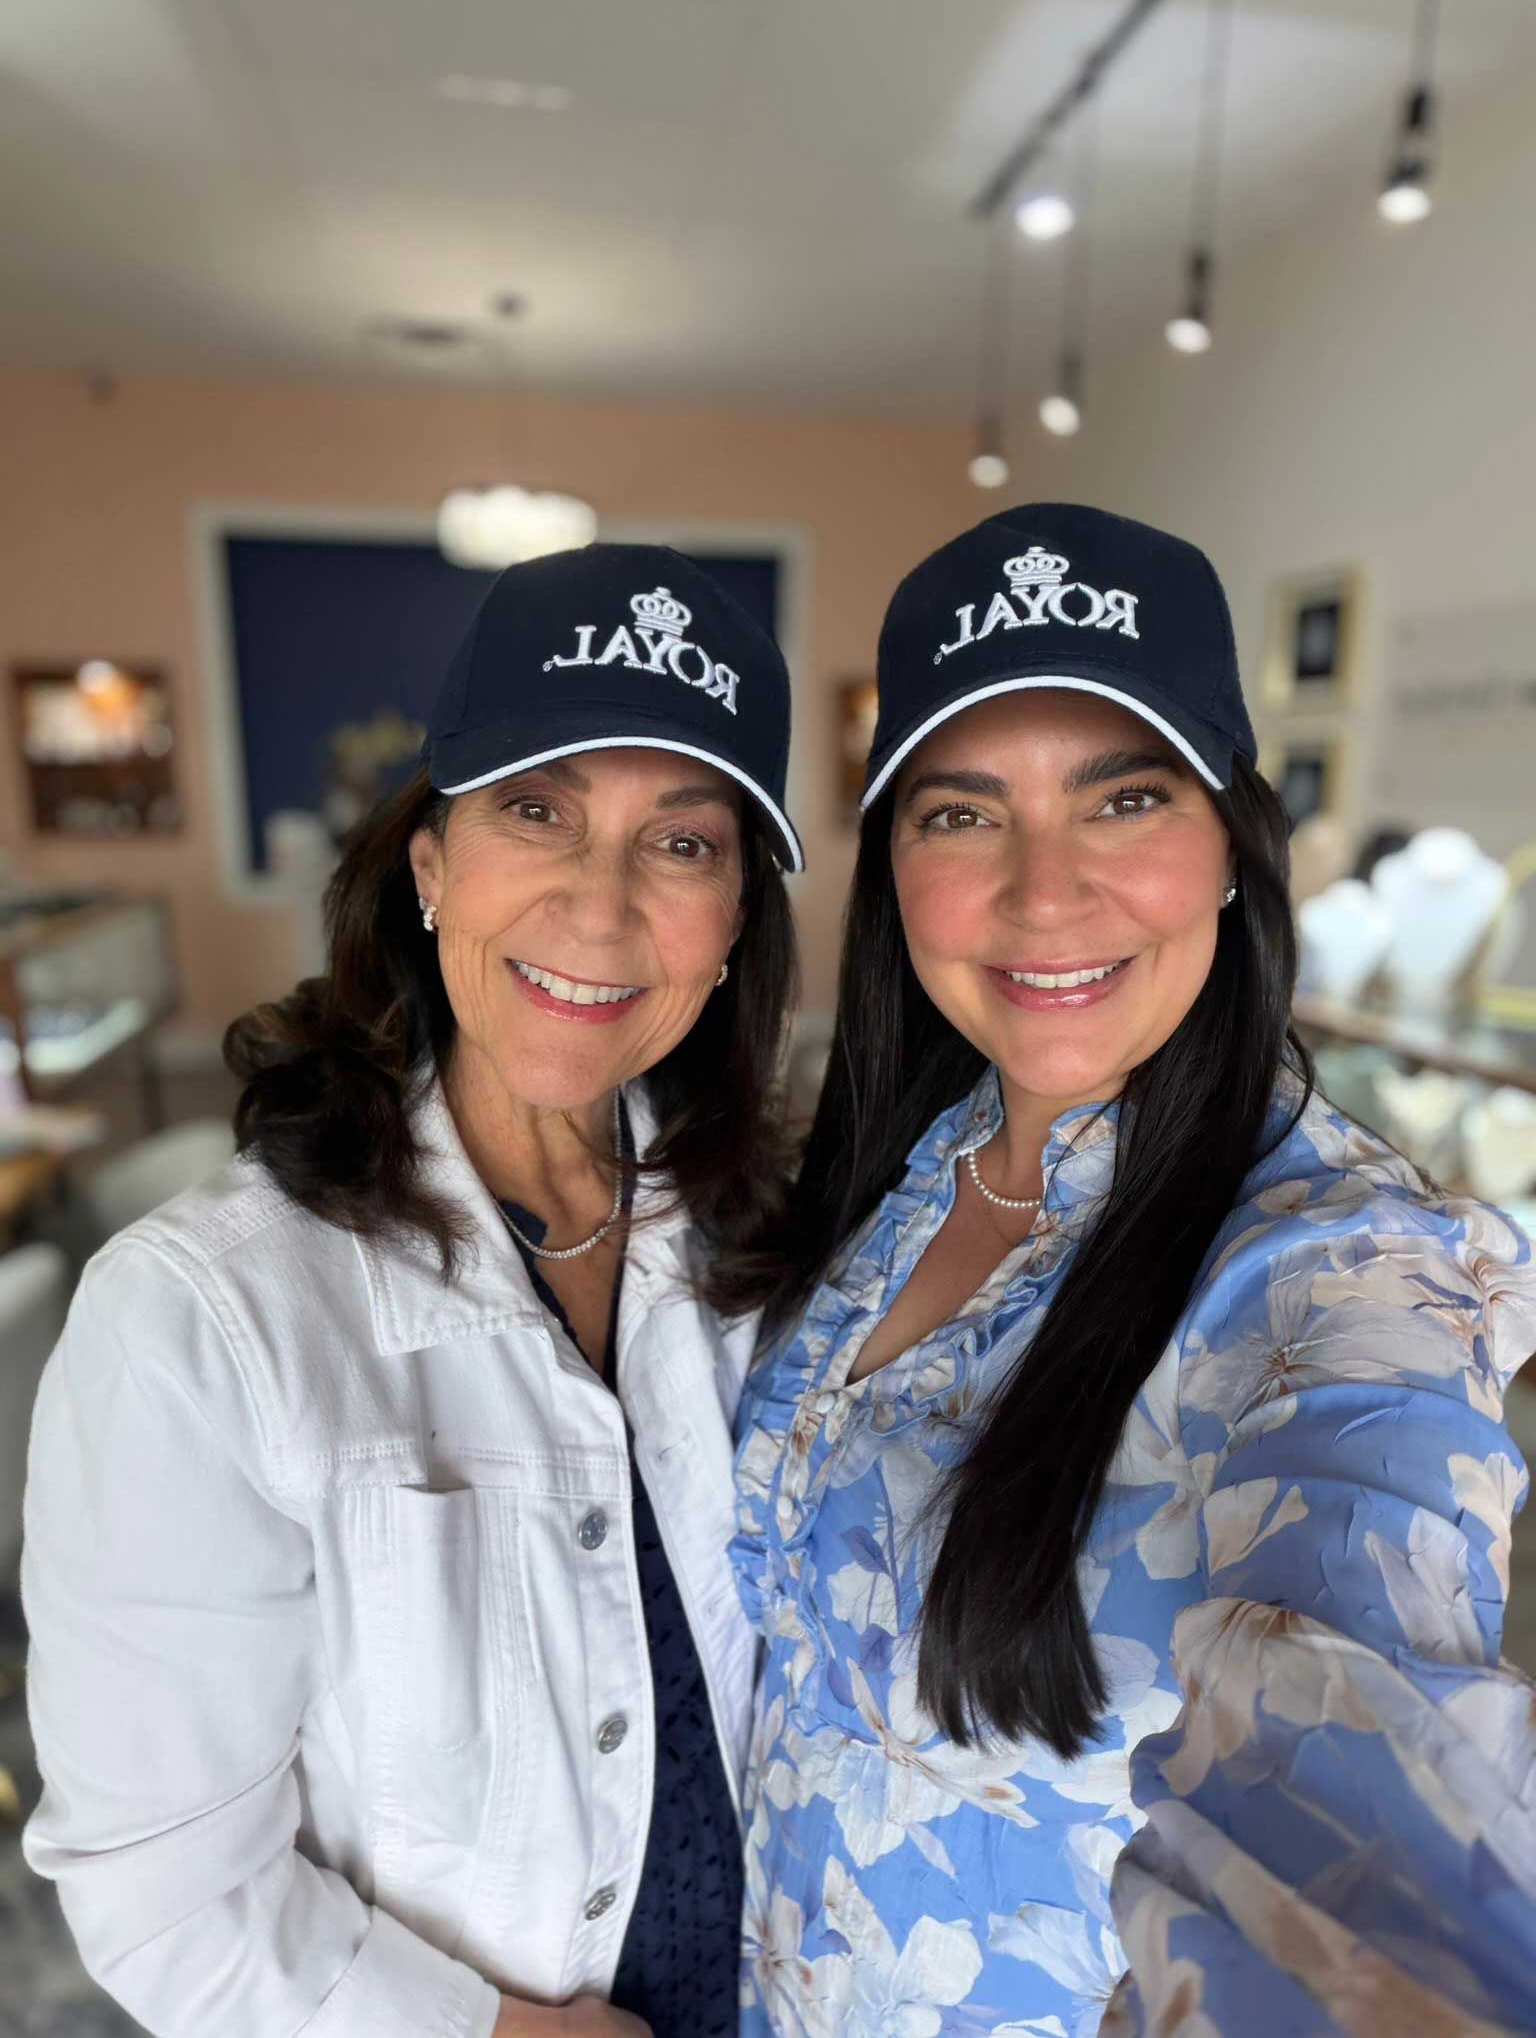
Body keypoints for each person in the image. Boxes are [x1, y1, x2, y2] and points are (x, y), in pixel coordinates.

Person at [731, 503, 1536, 2035]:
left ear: (1235, 847)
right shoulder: (905, 1166)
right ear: (894, 863)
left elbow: (1376, 1808)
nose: (1044, 893)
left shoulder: (1341, 1269)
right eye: (960, 813)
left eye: (1124, 801)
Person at [22, 544, 803, 2038]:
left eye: (684, 843)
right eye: (537, 812)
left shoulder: (763, 1248)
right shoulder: (205, 1321)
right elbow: (163, 1890)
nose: (601, 906)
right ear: (431, 866)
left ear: (734, 926)